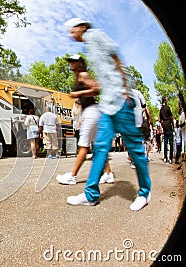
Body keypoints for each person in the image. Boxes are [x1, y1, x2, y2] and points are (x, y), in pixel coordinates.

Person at [64, 18, 151, 211]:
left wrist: (126, 90)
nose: (71, 34)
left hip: (119, 100)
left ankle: (144, 192)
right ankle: (91, 195)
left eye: (72, 30)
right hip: (106, 105)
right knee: (101, 147)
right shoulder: (88, 46)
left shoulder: (95, 36)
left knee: (135, 148)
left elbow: (116, 58)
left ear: (82, 27)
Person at [56, 54, 114, 185]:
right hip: (91, 112)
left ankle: (72, 176)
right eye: (70, 61)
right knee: (97, 146)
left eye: (73, 61)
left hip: (92, 111)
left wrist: (78, 93)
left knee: (83, 145)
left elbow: (96, 89)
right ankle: (109, 174)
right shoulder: (80, 76)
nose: (70, 63)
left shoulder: (83, 74)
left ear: (80, 63)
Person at [159, 96, 174, 163]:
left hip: (164, 126)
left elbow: (160, 119)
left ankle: (165, 157)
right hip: (169, 125)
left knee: (165, 142)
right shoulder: (168, 108)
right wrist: (172, 124)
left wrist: (162, 125)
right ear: (165, 101)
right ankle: (170, 158)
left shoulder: (161, 109)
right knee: (171, 143)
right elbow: (171, 117)